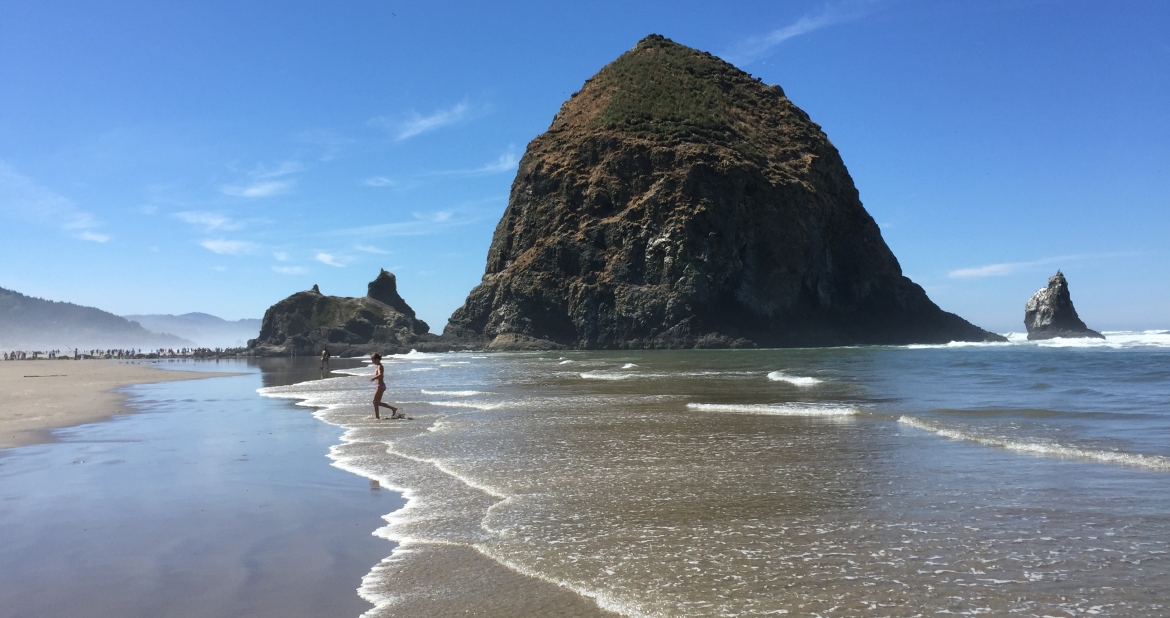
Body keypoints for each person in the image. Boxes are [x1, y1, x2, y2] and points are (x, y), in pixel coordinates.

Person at [369, 353, 401, 419]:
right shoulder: (378, 366)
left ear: (376, 359)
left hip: (380, 386)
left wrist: (374, 378)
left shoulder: (380, 366)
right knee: (376, 402)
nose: (372, 362)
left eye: (373, 360)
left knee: (375, 402)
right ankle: (392, 409)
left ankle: (379, 416)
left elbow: (381, 375)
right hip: (380, 385)